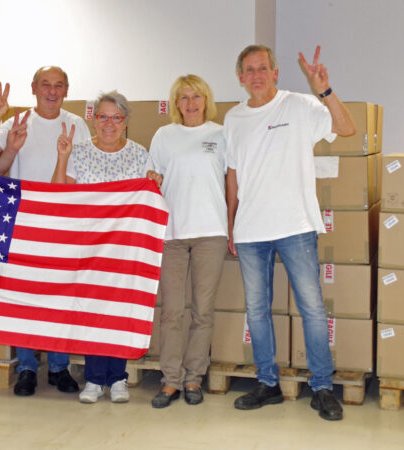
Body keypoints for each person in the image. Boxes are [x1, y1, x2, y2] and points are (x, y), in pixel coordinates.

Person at [224, 45, 356, 421]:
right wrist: (231, 224)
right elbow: (232, 175)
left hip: (296, 226)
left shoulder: (301, 105)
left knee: (312, 308)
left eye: (263, 68)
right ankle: (267, 383)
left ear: (276, 72)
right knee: (258, 310)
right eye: (249, 70)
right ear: (240, 78)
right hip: (250, 230)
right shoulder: (233, 118)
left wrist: (324, 90)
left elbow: (347, 129)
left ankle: (322, 387)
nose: (256, 75)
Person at [0, 66, 90, 397]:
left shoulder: (77, 125)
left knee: (59, 297)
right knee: (23, 297)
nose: (52, 91)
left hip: (62, 223)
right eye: (46, 85)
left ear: (67, 90)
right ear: (34, 88)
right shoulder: (20, 121)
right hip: (22, 221)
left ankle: (59, 367)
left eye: (59, 86)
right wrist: (8, 142)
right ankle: (27, 367)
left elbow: (81, 175)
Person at [53, 90, 158, 404]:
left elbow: (150, 200)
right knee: (93, 313)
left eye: (116, 117)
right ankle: (95, 380)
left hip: (125, 249)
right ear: (93, 120)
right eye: (103, 116)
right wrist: (62, 156)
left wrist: (154, 182)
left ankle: (119, 379)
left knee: (121, 312)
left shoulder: (140, 154)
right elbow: (59, 193)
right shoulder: (79, 151)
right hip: (90, 248)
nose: (109, 124)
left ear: (125, 122)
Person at [145, 75, 228, 408]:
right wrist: (154, 178)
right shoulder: (164, 136)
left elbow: (232, 181)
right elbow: (154, 178)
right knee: (172, 313)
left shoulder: (222, 135)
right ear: (176, 103)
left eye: (197, 96)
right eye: (184, 97)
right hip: (172, 234)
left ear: (206, 100)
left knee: (203, 312)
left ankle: (194, 378)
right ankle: (171, 381)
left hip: (211, 233)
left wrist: (233, 225)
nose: (191, 103)